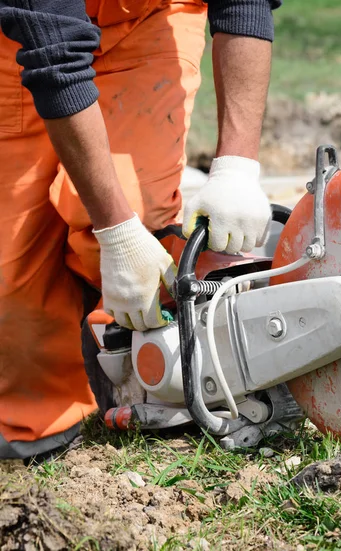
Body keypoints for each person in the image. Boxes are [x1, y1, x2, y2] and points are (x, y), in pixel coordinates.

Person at [0, 0, 281, 459]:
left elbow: (244, 5)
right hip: (19, 38)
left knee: (133, 203)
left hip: (150, 17)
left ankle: (156, 379)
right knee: (12, 282)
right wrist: (117, 235)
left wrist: (237, 166)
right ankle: (41, 433)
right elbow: (57, 58)